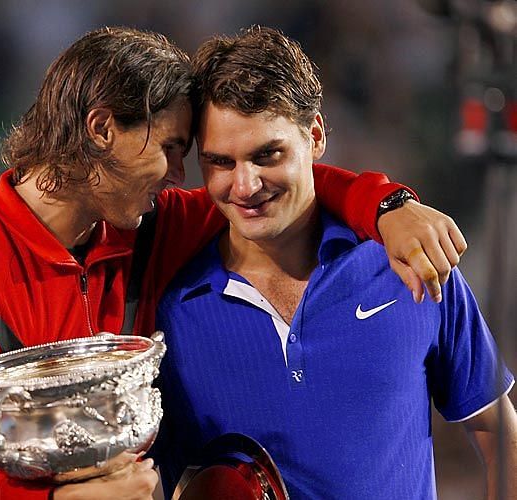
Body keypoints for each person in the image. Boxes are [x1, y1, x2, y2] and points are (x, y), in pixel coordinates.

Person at [0, 27, 467, 500]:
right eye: (170, 150)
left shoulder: (147, 226)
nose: (186, 179)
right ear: (103, 129)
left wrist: (388, 205)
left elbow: (285, 186)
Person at [154, 26, 516, 499]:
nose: (244, 187)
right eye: (219, 162)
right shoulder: (169, 310)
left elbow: (501, 435)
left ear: (316, 136)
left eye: (268, 155)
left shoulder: (410, 266)